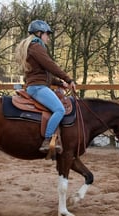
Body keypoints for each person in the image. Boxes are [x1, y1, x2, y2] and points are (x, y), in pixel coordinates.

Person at [15, 19, 77, 153]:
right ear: (39, 33)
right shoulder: (36, 47)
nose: (48, 37)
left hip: (37, 85)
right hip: (38, 88)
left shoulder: (32, 48)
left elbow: (44, 74)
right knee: (59, 109)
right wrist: (68, 79)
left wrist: (60, 83)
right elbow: (50, 65)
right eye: (46, 34)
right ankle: (48, 139)